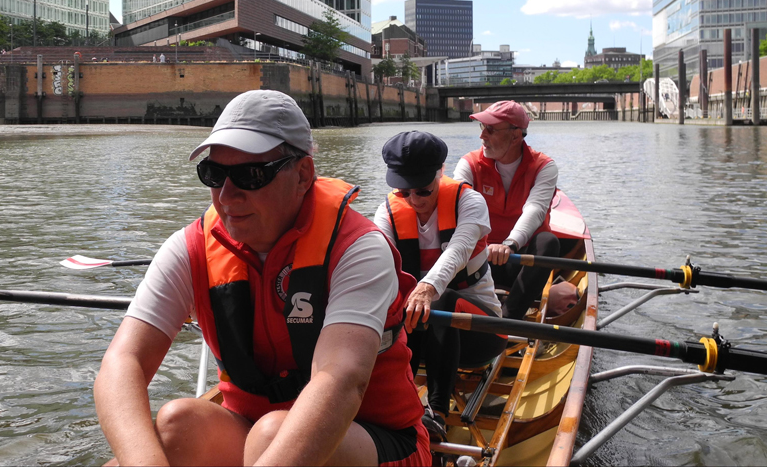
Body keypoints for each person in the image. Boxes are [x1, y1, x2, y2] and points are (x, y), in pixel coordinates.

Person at [95, 90, 430, 467]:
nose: (226, 195)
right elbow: (123, 361)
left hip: (378, 441)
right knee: (178, 423)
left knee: (271, 434)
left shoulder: (359, 248)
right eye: (214, 173)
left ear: (303, 174)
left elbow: (341, 380)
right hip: (252, 430)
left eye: (251, 175)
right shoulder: (189, 248)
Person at [374, 131, 505, 442]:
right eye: (404, 192)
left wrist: (427, 288)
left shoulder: (470, 202)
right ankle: (394, 403)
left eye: (423, 190)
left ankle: (436, 413)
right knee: (389, 309)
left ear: (440, 172)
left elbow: (458, 250)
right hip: (419, 332)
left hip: (482, 333)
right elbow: (376, 263)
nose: (414, 200)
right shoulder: (387, 214)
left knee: (439, 300)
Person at [453, 101, 568, 320]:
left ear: (515, 136)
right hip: (479, 257)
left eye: (491, 129)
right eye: (482, 128)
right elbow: (457, 207)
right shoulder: (468, 164)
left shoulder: (544, 167)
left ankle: (509, 320)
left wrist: (509, 244)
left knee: (548, 242)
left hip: (520, 261)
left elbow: (534, 210)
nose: (482, 136)